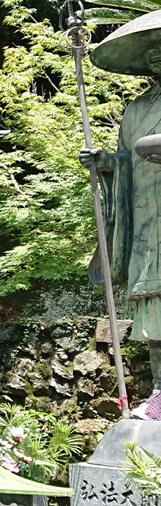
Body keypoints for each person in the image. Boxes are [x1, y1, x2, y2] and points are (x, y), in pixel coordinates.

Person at [82, 27, 161, 419]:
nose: (156, 57)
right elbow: (126, 161)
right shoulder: (136, 110)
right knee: (153, 303)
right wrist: (107, 163)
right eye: (150, 52)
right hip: (147, 215)